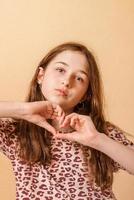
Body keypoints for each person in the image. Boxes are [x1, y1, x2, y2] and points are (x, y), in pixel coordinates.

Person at [0, 42, 134, 200]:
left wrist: (97, 140)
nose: (67, 81)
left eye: (79, 78)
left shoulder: (101, 132)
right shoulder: (17, 132)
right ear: (40, 76)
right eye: (60, 70)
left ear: (85, 94)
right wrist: (23, 110)